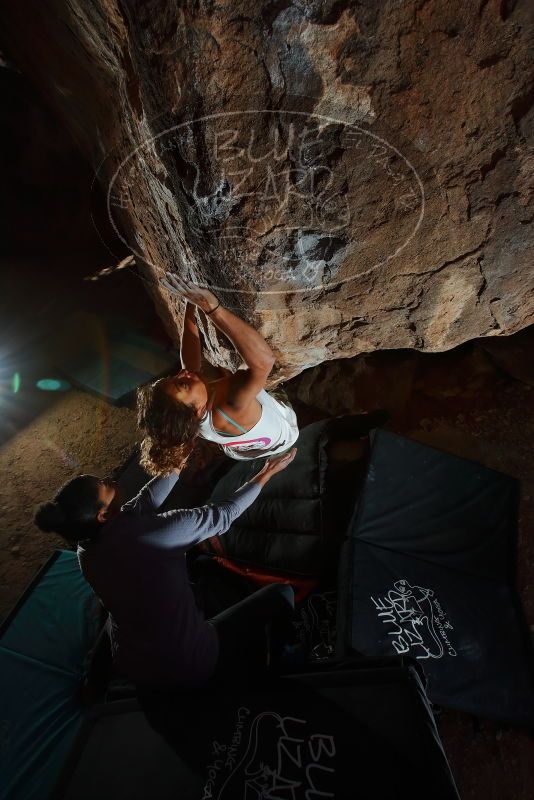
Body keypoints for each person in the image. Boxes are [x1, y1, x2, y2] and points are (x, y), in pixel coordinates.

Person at [34, 448, 297, 689]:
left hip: (133, 663)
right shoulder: (158, 534)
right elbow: (223, 514)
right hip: (190, 661)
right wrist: (267, 472)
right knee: (282, 594)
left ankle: (95, 679)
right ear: (102, 515)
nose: (110, 479)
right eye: (104, 485)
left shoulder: (86, 550)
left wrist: (180, 456)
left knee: (120, 612)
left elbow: (144, 501)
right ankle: (282, 665)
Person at [136, 272, 299, 474]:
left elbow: (189, 365)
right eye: (182, 384)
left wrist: (190, 307)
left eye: (172, 377)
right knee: (241, 371)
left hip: (239, 449)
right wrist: (211, 308)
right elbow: (264, 362)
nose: (182, 373)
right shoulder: (229, 404)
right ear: (196, 411)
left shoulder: (185, 422)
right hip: (283, 435)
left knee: (214, 377)